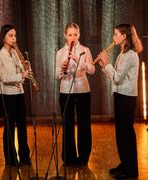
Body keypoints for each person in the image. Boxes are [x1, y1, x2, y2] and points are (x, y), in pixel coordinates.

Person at [98, 23, 143, 179]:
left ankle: (131, 170)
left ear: (124, 36)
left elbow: (117, 77)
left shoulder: (131, 55)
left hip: (127, 98)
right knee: (120, 134)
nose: (113, 37)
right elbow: (114, 76)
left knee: (126, 134)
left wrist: (107, 62)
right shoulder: (122, 53)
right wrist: (104, 65)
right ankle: (124, 164)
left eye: (116, 34)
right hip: (119, 95)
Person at [56, 23, 95, 167]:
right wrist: (62, 68)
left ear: (79, 35)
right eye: (70, 34)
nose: (73, 37)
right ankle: (68, 157)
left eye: (75, 34)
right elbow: (56, 75)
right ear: (65, 35)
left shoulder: (85, 50)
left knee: (84, 123)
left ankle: (83, 157)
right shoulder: (60, 52)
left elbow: (92, 70)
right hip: (65, 90)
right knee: (67, 124)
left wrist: (79, 61)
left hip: (83, 90)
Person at [0, 24, 31, 166]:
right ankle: (10, 159)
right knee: (9, 127)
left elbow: (22, 69)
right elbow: (3, 77)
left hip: (19, 92)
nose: (14, 38)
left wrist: (26, 66)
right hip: (6, 95)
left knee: (22, 126)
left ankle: (25, 157)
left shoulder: (15, 53)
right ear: (3, 37)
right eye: (11, 35)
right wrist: (22, 74)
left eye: (15, 35)